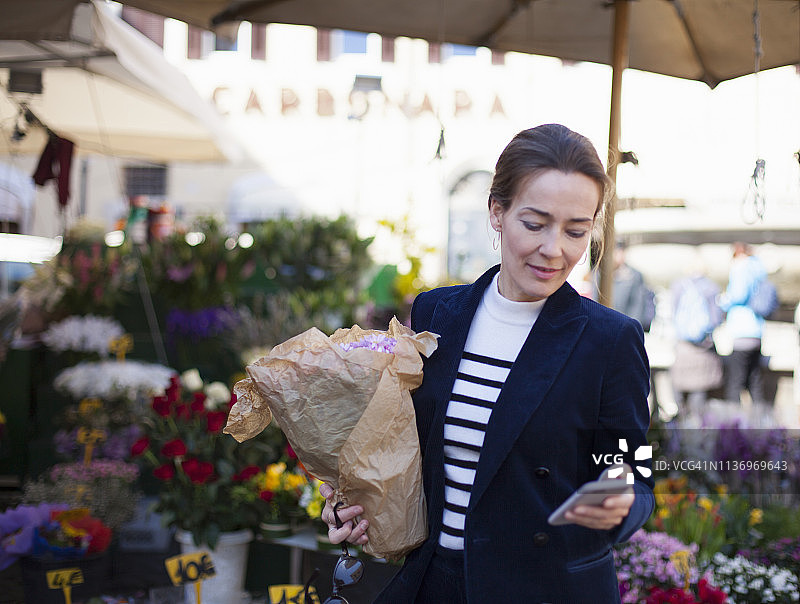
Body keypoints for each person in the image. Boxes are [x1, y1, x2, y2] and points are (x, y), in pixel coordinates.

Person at [320, 124, 654, 603]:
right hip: (436, 582)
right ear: (497, 213)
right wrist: (353, 503)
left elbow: (631, 473)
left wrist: (616, 497)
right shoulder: (438, 312)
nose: (554, 249)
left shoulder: (610, 340)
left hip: (545, 589)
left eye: (576, 231)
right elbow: (406, 448)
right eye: (535, 224)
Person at [669, 262, 724, 424]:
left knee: (679, 393)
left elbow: (673, 312)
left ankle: (678, 433)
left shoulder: (678, 285)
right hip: (703, 348)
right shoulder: (712, 287)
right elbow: (716, 319)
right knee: (699, 394)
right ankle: (695, 430)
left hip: (683, 347)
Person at [719, 242, 768, 405]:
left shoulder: (741, 268)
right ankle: (760, 424)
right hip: (756, 331)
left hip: (742, 331)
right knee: (754, 381)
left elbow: (738, 295)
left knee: (735, 382)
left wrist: (723, 301)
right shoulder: (758, 269)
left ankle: (733, 426)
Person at [612, 241, 656, 332]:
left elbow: (637, 304)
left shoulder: (634, 275)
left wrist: (632, 327)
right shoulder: (600, 274)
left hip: (626, 325)